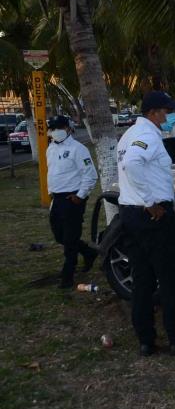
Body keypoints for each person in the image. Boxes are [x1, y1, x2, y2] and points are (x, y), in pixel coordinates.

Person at [117, 91, 175, 357]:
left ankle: (146, 341)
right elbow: (132, 164)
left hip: (130, 215)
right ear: (154, 112)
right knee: (171, 278)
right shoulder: (147, 136)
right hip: (152, 216)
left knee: (142, 280)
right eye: (168, 112)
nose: (171, 116)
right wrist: (150, 202)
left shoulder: (130, 135)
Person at [46, 115, 98, 289]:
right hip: (57, 198)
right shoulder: (50, 148)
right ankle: (88, 251)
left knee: (69, 239)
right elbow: (52, 172)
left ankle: (68, 275)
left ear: (68, 128)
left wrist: (80, 195)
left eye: (59, 127)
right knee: (59, 235)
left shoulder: (78, 149)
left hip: (72, 199)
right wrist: (50, 192)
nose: (55, 131)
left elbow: (90, 175)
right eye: (52, 128)